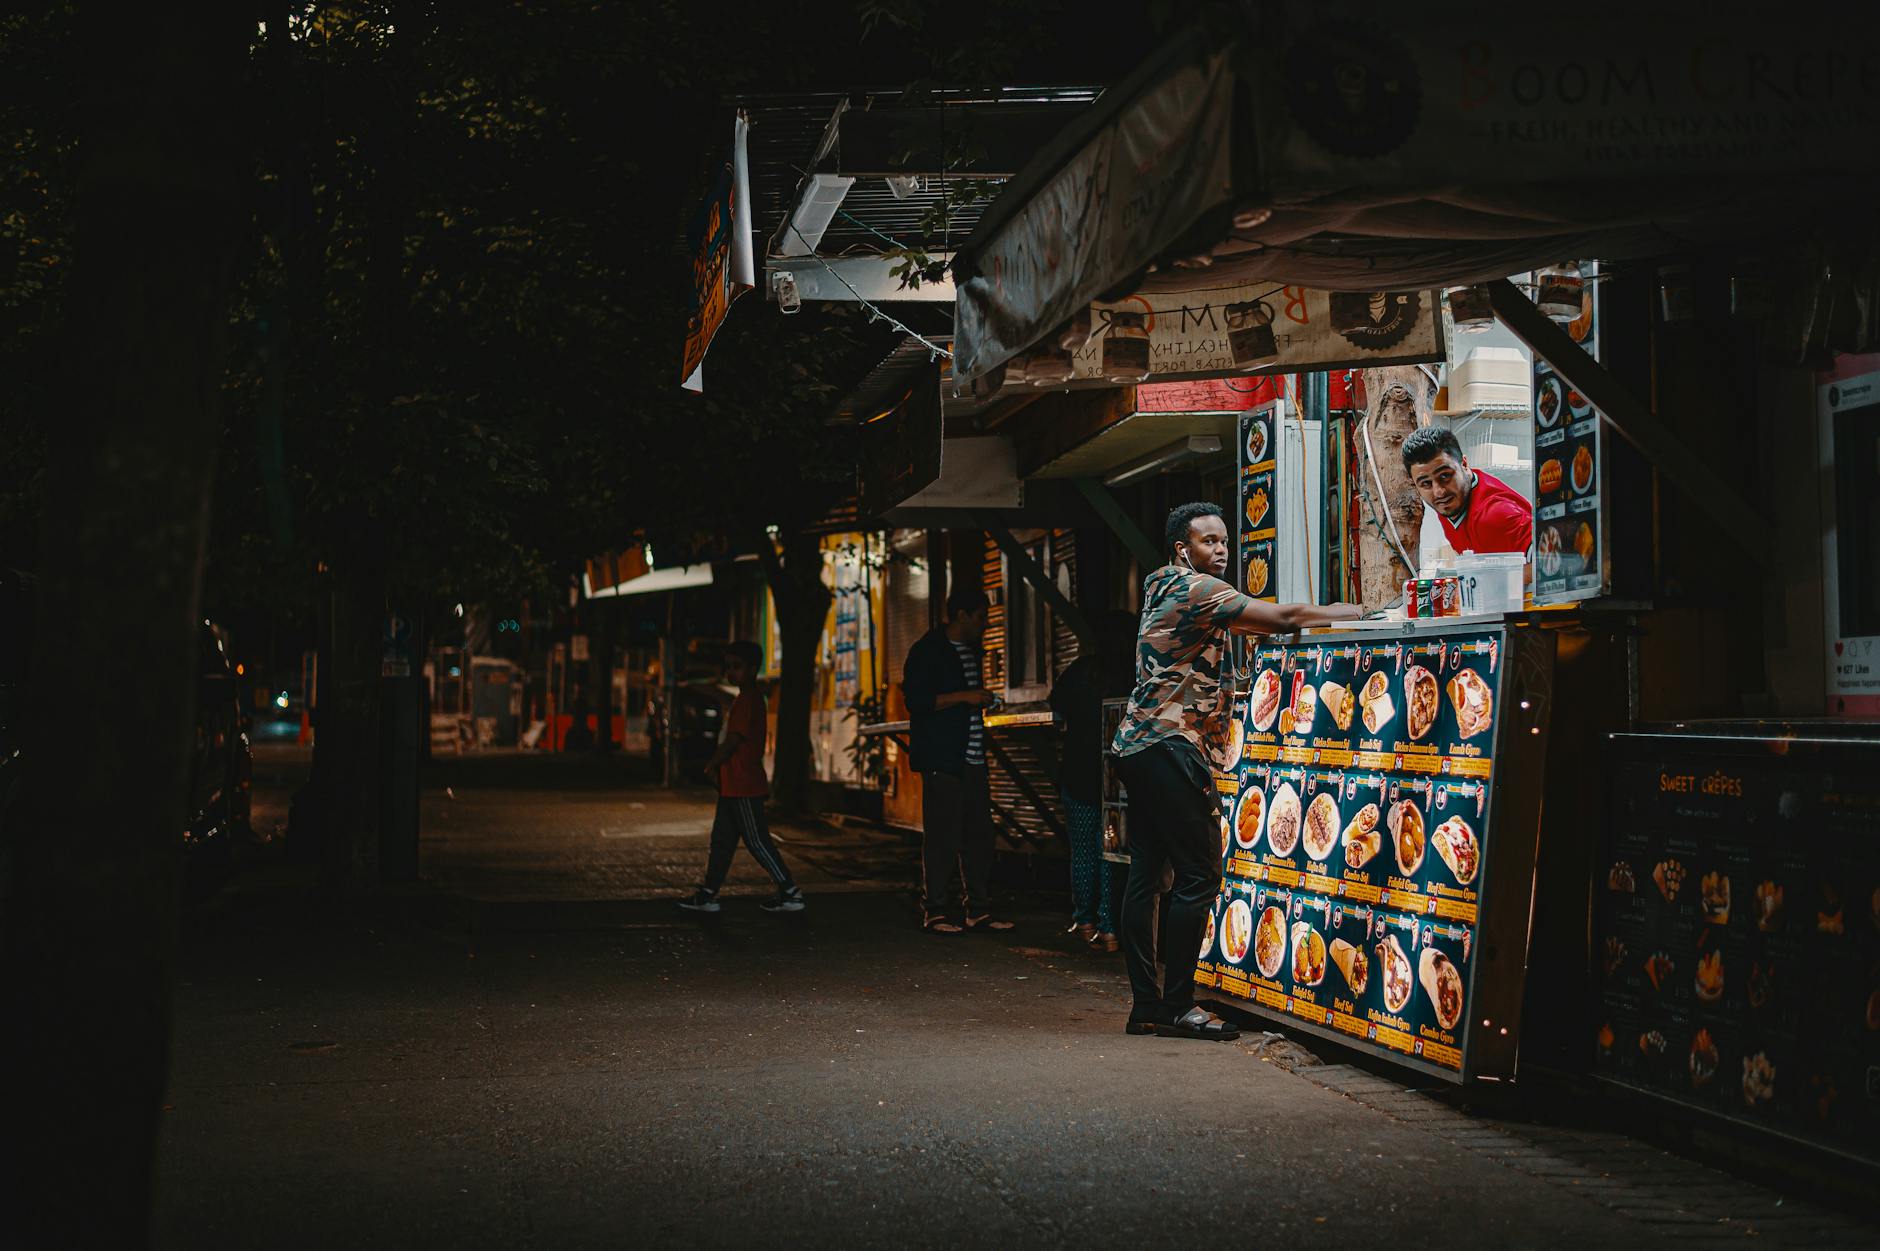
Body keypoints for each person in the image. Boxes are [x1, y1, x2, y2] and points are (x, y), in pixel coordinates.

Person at [1112, 503, 1362, 1040]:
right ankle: (1178, 1006)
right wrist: (1358, 612)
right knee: (1199, 876)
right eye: (1208, 541)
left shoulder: (1166, 588)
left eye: (1225, 540)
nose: (1221, 550)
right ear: (1183, 549)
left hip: (1139, 745)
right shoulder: (1197, 588)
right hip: (1171, 744)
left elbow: (1247, 624)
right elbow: (1283, 617)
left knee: (1147, 876)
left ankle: (1147, 1006)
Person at [902, 586, 1013, 935]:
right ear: (962, 615)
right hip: (943, 757)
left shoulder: (972, 651)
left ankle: (977, 909)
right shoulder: (928, 650)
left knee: (979, 835)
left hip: (972, 757)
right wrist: (967, 696)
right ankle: (935, 911)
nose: (985, 624)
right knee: (942, 836)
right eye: (981, 617)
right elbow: (917, 701)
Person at [678, 641, 805, 915]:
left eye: (737, 666)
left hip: (743, 783)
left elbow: (734, 740)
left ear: (752, 669)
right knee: (722, 841)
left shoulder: (748, 700)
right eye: (728, 666)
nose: (730, 672)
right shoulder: (747, 699)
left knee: (756, 840)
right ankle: (708, 893)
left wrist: (712, 764)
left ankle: (790, 891)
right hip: (733, 783)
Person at [1048, 609, 1137, 954]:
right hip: (1119, 780)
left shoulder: (1080, 671)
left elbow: (1057, 714)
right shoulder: (1135, 675)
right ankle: (1110, 929)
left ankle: (1085, 924)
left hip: (1078, 774)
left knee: (1084, 851)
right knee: (1113, 853)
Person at [1400, 425, 1533, 558]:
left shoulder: (1496, 514)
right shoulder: (1451, 502)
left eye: (1445, 476)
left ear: (1464, 464)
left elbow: (1545, 559)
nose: (1439, 492)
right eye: (1426, 483)